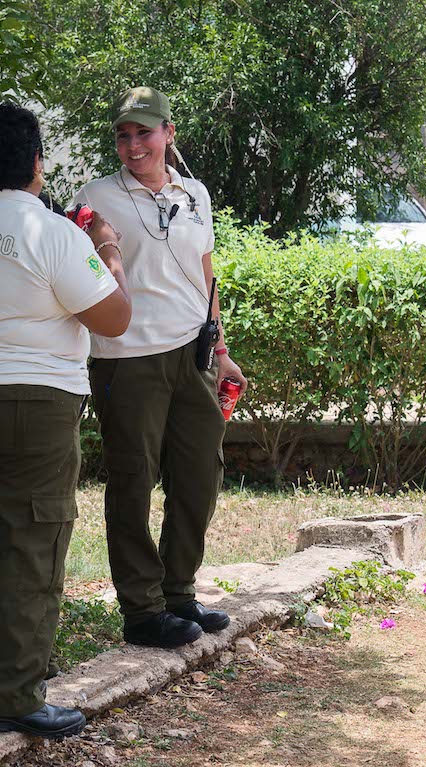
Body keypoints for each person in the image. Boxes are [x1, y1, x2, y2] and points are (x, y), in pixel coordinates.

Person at [0, 102, 132, 739]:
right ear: (35, 164)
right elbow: (113, 317)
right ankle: (9, 697)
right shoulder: (54, 233)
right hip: (33, 402)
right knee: (29, 547)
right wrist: (109, 252)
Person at [70, 87, 250, 649]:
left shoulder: (194, 193)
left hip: (193, 355)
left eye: (144, 133)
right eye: (123, 135)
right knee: (132, 481)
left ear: (169, 134)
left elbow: (204, 271)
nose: (132, 145)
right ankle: (142, 609)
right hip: (129, 359)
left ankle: (180, 593)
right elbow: (87, 275)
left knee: (199, 475)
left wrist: (220, 349)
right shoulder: (95, 197)